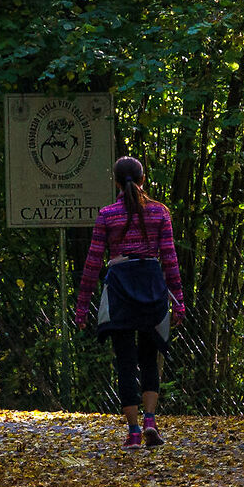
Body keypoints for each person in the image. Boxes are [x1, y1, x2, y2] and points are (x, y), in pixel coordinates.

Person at [74, 156, 187, 448]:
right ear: (143, 179)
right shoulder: (160, 213)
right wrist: (179, 300)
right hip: (151, 284)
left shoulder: (107, 214)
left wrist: (83, 306)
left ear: (115, 182)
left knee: (124, 360)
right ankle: (151, 419)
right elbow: (170, 259)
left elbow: (93, 261)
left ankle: (134, 431)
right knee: (151, 355)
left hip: (120, 287)